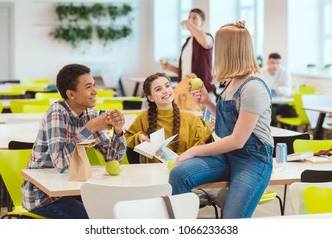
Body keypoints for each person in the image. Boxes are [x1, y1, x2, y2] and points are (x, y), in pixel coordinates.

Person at [169, 20, 273, 219]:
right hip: (228, 154)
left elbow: (237, 139)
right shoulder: (234, 81)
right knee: (179, 174)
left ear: (230, 51)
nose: (215, 52)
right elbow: (231, 123)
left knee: (231, 221)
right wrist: (208, 103)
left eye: (219, 46)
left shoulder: (254, 87)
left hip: (252, 160)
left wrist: (192, 151)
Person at [21, 64, 126, 219]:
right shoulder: (57, 113)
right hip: (44, 197)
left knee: (111, 210)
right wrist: (89, 128)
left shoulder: (89, 113)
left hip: (74, 188)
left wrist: (118, 131)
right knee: (90, 218)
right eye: (88, 87)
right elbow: (61, 164)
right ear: (71, 94)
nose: (95, 91)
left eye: (94, 86)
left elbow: (113, 160)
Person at [124, 72, 209, 164]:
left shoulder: (192, 118)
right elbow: (125, 138)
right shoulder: (143, 117)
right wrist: (139, 137)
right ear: (151, 98)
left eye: (167, 86)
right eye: (158, 89)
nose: (165, 91)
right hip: (152, 172)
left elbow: (202, 145)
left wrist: (210, 128)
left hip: (185, 168)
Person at [160, 8, 217, 98]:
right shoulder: (186, 43)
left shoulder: (208, 37)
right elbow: (185, 71)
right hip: (185, 91)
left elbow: (204, 42)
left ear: (202, 23)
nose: (190, 20)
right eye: (189, 17)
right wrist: (170, 67)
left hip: (202, 92)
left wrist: (188, 24)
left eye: (194, 18)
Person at [261, 52, 295, 124]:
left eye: (278, 63)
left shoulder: (285, 72)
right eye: (272, 63)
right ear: (268, 63)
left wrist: (280, 90)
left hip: (281, 103)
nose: (275, 66)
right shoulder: (262, 72)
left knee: (291, 112)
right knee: (271, 112)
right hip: (267, 104)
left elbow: (289, 91)